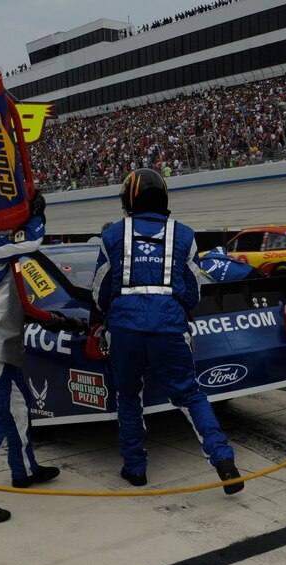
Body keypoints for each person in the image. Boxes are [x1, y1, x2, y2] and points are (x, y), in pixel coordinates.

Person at [92, 168, 244, 494]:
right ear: (163, 197)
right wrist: (175, 310)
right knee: (190, 395)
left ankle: (135, 469)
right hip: (169, 327)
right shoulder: (185, 236)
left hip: (125, 330)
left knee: (129, 398)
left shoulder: (112, 236)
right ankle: (222, 458)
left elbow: (99, 291)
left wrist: (108, 316)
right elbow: (193, 291)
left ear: (129, 199)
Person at [0, 192, 85, 524]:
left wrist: (61, 321)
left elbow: (23, 304)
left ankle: (24, 470)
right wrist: (35, 215)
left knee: (18, 405)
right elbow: (32, 240)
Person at [198, 246, 266, 282]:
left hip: (241, 280)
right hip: (250, 270)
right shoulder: (212, 253)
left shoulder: (199, 272)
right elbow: (220, 248)